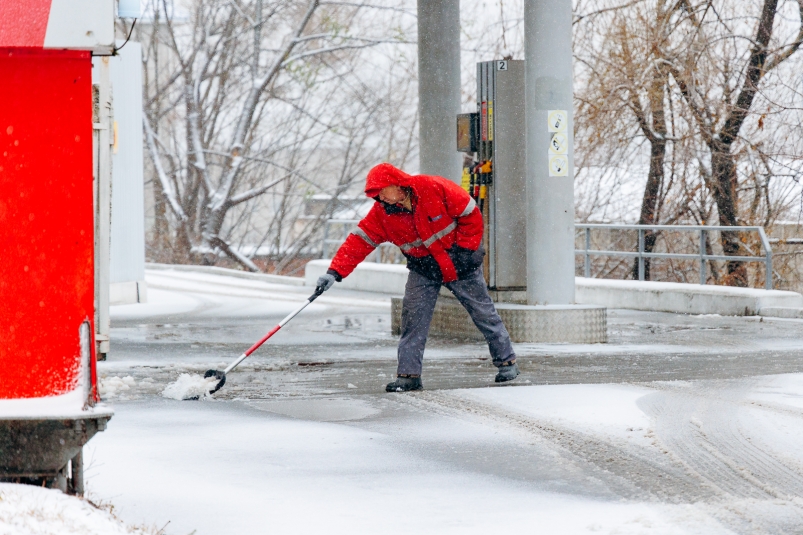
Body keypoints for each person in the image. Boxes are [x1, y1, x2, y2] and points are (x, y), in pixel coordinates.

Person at [317, 163, 519, 392]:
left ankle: (507, 363)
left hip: (460, 262)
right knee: (413, 319)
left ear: (397, 184)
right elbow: (359, 242)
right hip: (424, 268)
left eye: (382, 191)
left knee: (483, 312)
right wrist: (334, 272)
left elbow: (470, 214)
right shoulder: (382, 213)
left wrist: (465, 251)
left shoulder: (433, 187)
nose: (380, 198)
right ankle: (408, 375)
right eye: (376, 194)